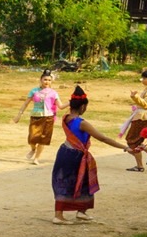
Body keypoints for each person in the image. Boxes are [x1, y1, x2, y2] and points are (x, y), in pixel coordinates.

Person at [53, 85, 132, 223]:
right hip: (75, 156)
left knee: (74, 181)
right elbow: (103, 138)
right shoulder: (82, 123)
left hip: (65, 152)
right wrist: (125, 147)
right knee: (70, 182)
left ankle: (81, 211)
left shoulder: (66, 118)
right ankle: (58, 216)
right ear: (83, 107)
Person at [13, 70, 61, 164]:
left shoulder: (53, 93)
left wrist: (72, 102)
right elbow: (26, 103)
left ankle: (36, 158)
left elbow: (61, 106)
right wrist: (19, 115)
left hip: (48, 118)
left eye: (49, 80)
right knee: (32, 138)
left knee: (43, 139)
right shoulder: (34, 91)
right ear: (41, 80)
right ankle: (33, 149)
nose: (47, 82)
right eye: (45, 79)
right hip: (35, 116)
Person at [121, 68, 147, 172]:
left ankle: (140, 165)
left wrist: (135, 97)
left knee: (132, 141)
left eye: (144, 78)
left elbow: (145, 104)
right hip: (140, 116)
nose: (142, 80)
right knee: (134, 140)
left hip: (143, 118)